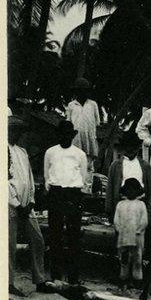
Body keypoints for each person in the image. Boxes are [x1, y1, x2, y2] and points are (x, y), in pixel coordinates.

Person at [43, 119, 89, 283]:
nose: (65, 137)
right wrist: (54, 191)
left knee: (73, 237)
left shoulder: (80, 154)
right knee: (55, 236)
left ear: (72, 135)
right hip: (56, 194)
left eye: (68, 134)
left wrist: (74, 192)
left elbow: (83, 176)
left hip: (73, 194)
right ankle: (56, 276)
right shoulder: (50, 152)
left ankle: (73, 277)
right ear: (58, 135)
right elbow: (47, 176)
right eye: (62, 134)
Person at [8, 115, 48, 295]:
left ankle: (40, 279)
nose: (15, 134)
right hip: (11, 205)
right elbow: (4, 182)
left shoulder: (22, 152)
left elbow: (30, 179)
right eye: (12, 130)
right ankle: (8, 282)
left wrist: (31, 201)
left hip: (26, 204)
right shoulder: (1, 150)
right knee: (9, 245)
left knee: (38, 240)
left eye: (18, 130)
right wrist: (16, 204)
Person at [105, 130, 151, 220]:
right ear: (123, 148)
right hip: (121, 205)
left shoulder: (145, 166)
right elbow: (110, 189)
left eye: (133, 147)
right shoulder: (115, 165)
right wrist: (109, 210)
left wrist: (149, 211)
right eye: (128, 147)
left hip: (140, 206)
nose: (130, 150)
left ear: (137, 147)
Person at [65, 77, 101, 190]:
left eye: (85, 90)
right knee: (75, 164)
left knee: (89, 165)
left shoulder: (93, 105)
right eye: (80, 90)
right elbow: (69, 123)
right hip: (75, 139)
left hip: (89, 139)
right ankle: (74, 188)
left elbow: (96, 122)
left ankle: (86, 189)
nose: (82, 93)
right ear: (76, 92)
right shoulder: (71, 105)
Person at [113, 177, 148, 290]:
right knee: (124, 259)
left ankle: (137, 279)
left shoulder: (141, 205)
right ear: (125, 191)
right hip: (124, 236)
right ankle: (123, 278)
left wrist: (139, 230)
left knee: (137, 258)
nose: (131, 192)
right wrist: (119, 229)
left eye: (133, 189)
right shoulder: (120, 204)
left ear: (138, 191)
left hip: (137, 237)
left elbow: (144, 220)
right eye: (128, 189)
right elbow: (116, 219)